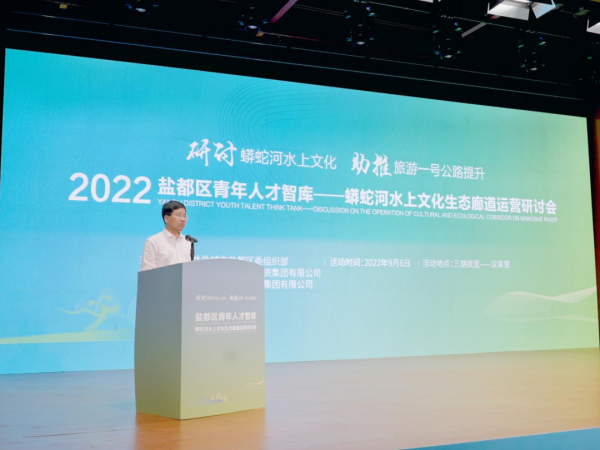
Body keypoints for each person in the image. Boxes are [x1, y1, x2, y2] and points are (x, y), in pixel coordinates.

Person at [140, 200, 192, 271]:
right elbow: (146, 271)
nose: (183, 219)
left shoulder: (188, 242)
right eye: (178, 215)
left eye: (184, 216)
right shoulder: (153, 242)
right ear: (166, 218)